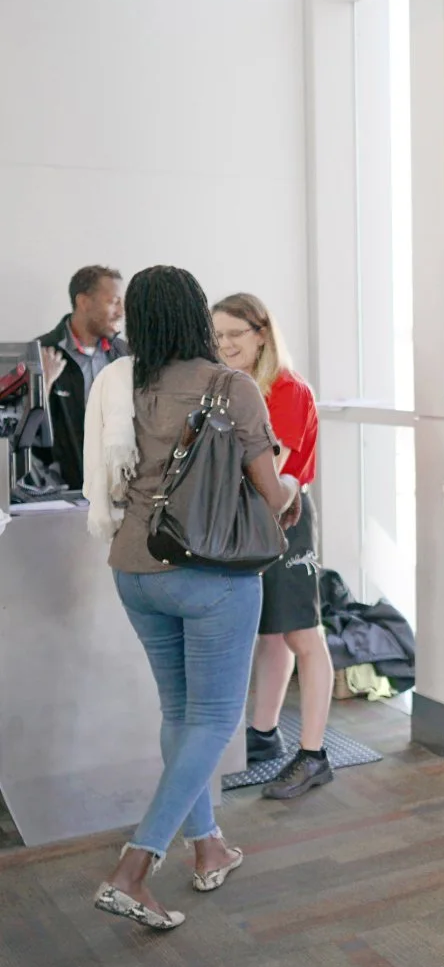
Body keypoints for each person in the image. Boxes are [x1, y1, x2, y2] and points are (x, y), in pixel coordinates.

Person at [88, 266, 300, 931]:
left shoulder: (125, 384)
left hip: (134, 568)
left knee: (181, 713)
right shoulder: (231, 388)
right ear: (196, 318)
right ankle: (134, 867)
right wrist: (291, 496)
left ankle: (208, 847)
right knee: (213, 719)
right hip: (211, 573)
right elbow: (271, 490)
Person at [213, 293, 335, 800]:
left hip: (285, 520)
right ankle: (263, 735)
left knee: (303, 635)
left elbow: (274, 477)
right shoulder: (235, 388)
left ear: (261, 333)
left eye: (235, 335)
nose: (224, 346)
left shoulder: (287, 390)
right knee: (271, 634)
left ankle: (313, 755)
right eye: (217, 337)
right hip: (248, 523)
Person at [36, 265, 128, 490]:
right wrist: (41, 385)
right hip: (63, 495)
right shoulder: (40, 354)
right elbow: (22, 435)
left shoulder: (126, 355)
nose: (121, 311)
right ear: (84, 302)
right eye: (113, 301)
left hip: (119, 492)